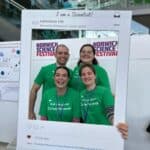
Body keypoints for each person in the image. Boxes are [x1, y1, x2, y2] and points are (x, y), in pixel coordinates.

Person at [79, 64, 128, 139]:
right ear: (80, 78)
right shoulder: (80, 94)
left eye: (89, 73)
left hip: (104, 133)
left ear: (95, 76)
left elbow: (110, 112)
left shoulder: (105, 91)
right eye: (83, 74)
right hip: (87, 133)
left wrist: (118, 126)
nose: (86, 76)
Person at [29, 44, 71, 120]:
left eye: (65, 53)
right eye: (60, 53)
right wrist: (30, 111)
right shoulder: (45, 70)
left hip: (66, 113)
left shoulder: (71, 72)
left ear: (68, 56)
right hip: (47, 113)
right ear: (55, 55)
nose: (63, 55)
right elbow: (34, 90)